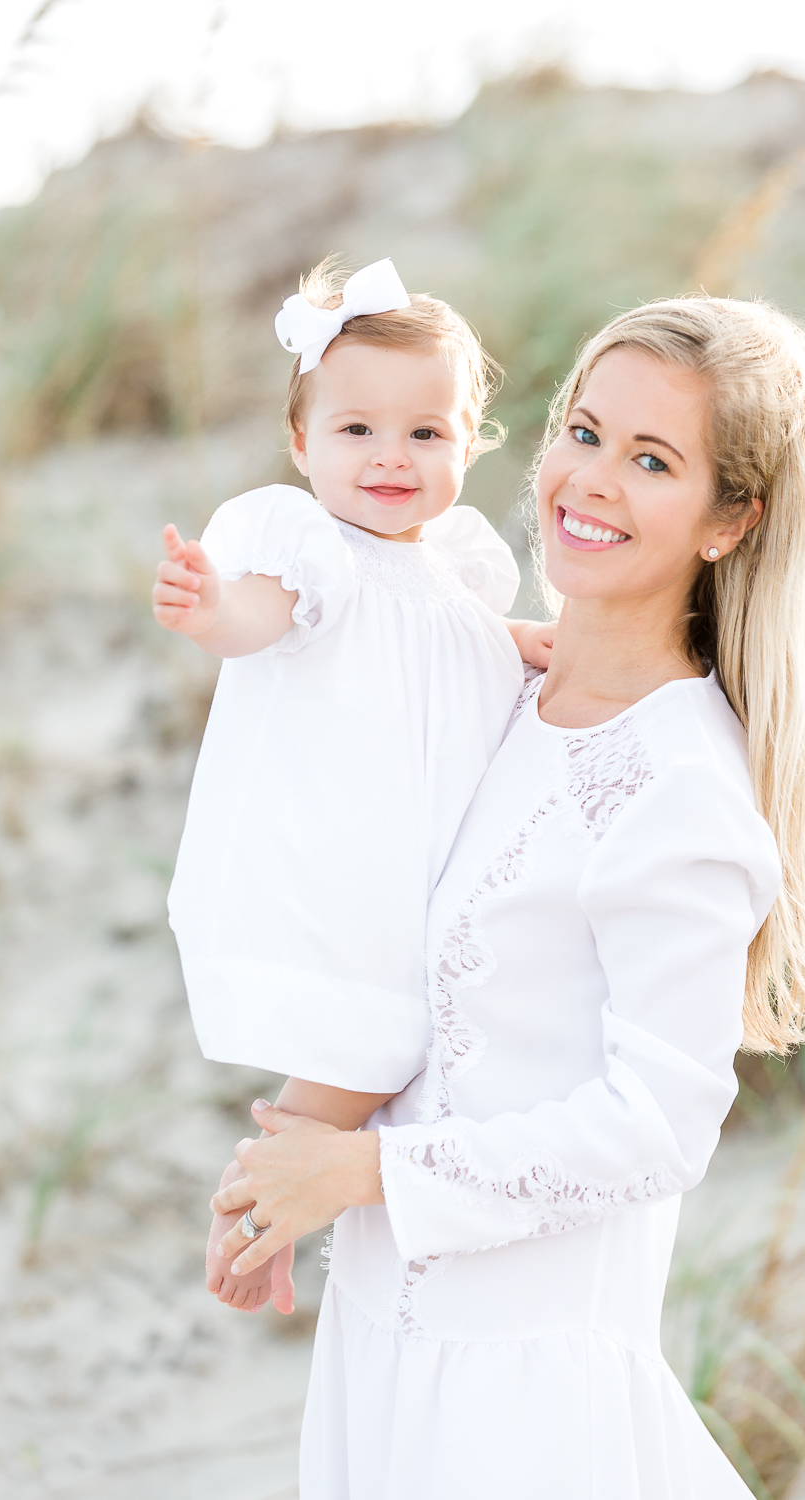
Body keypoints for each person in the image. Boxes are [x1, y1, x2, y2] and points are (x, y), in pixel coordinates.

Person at [211, 294, 805, 1498]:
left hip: (520, 1400)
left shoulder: (679, 787)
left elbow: (656, 1129)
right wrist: (286, 1162)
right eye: (583, 431)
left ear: (730, 520)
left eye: (653, 459)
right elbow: (398, 959)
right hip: (377, 1332)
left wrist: (363, 1176)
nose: (591, 480)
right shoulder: (492, 691)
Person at [152, 257, 555, 1312]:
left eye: (426, 433)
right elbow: (263, 618)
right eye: (355, 430)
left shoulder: (457, 570)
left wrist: (531, 644)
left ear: (469, 442)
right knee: (373, 1044)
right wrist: (210, 609)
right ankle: (250, 1212)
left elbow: (460, 650)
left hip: (430, 863)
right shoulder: (305, 550)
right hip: (346, 865)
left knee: (398, 1055)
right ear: (302, 444)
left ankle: (275, 1204)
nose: (391, 457)